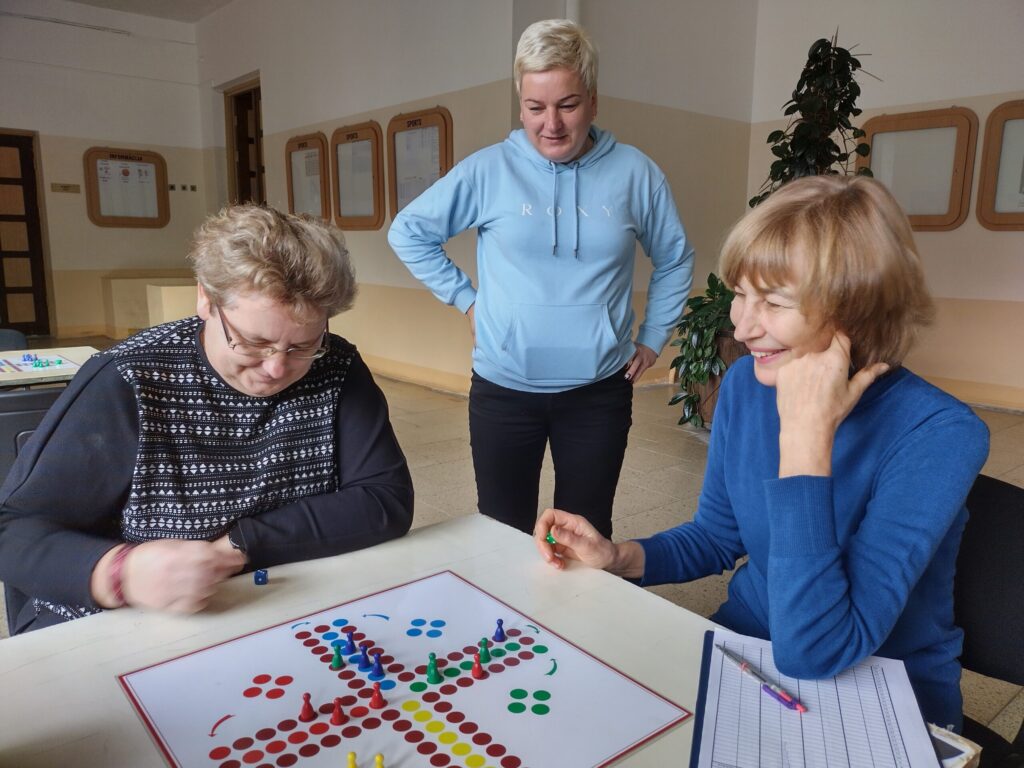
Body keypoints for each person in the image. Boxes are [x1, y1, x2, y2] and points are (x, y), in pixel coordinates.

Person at [533, 175, 989, 731]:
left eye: (773, 302)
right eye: (741, 294)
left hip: (885, 694)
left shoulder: (939, 431)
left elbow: (818, 651)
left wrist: (805, 441)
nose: (741, 326)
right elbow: (719, 535)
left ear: (856, 310)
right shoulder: (749, 385)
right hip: (750, 655)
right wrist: (618, 557)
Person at [0, 205, 414, 634]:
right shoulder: (130, 379)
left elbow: (385, 499)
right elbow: (15, 532)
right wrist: (120, 573)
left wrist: (237, 547)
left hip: (271, 600)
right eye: (253, 342)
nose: (275, 368)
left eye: (303, 346)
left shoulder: (337, 364)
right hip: (125, 622)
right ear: (205, 299)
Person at [388, 19, 694, 538]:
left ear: (593, 101)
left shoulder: (636, 173)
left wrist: (653, 338)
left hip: (599, 393)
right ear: (522, 104)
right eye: (535, 107)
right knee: (501, 535)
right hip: (503, 390)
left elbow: (676, 258)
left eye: (567, 105)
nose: (550, 123)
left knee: (586, 537)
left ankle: (574, 624)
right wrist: (466, 300)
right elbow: (409, 231)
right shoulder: (488, 170)